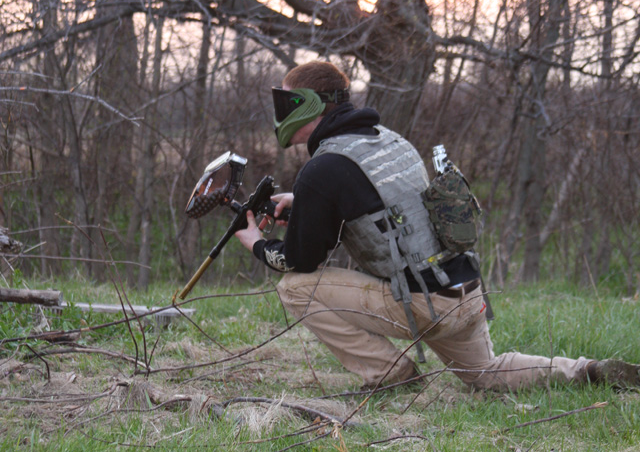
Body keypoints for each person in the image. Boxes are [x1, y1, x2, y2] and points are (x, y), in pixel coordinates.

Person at [235, 60, 640, 391]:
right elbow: (380, 209)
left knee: (295, 289)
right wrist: (303, 203)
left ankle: (392, 376)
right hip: (463, 292)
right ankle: (588, 371)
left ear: (309, 105)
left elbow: (301, 260)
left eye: (288, 103)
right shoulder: (386, 140)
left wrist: (256, 242)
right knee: (486, 373)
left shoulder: (323, 167)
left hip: (426, 305)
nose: (282, 114)